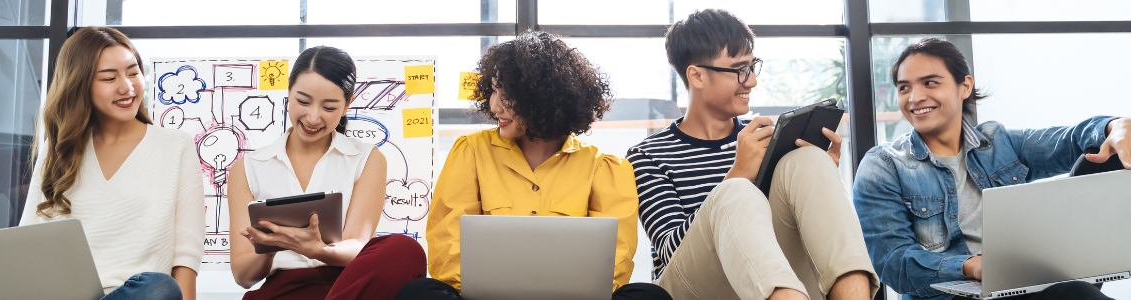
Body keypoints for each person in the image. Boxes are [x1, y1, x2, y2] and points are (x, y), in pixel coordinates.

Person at [395, 31, 671, 300]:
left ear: (542, 98)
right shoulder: (471, 152)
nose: (494, 107)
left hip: (571, 299)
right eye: (492, 91)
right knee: (419, 293)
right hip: (484, 297)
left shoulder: (605, 168)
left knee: (649, 295)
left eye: (506, 95)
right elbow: (447, 246)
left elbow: (615, 264)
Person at [626, 9, 878, 300]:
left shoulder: (767, 138)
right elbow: (670, 254)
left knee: (808, 160)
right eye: (739, 70)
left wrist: (822, 173)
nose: (752, 82)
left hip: (773, 282)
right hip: (692, 289)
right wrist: (737, 174)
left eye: (752, 67)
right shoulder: (647, 156)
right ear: (696, 75)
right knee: (736, 192)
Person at [853, 38, 1129, 300]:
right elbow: (893, 262)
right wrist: (971, 266)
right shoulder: (884, 165)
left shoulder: (999, 142)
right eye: (904, 88)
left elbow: (1069, 139)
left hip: (1028, 282)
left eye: (930, 83)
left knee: (1109, 154)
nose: (915, 97)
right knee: (1076, 294)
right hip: (954, 295)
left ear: (965, 86)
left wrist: (1114, 126)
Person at [227, 45, 426, 300]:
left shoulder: (366, 158)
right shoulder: (249, 166)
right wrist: (272, 245)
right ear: (288, 94)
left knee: (405, 249)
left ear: (346, 106)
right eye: (302, 101)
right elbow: (243, 276)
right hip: (283, 291)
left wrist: (319, 250)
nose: (312, 117)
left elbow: (357, 245)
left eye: (329, 108)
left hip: (347, 284)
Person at [20, 27, 202, 300]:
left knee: (159, 287)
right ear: (80, 85)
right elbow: (26, 242)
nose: (127, 87)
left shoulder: (176, 146)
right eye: (109, 77)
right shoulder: (57, 150)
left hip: (140, 295)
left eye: (133, 72)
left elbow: (185, 255)